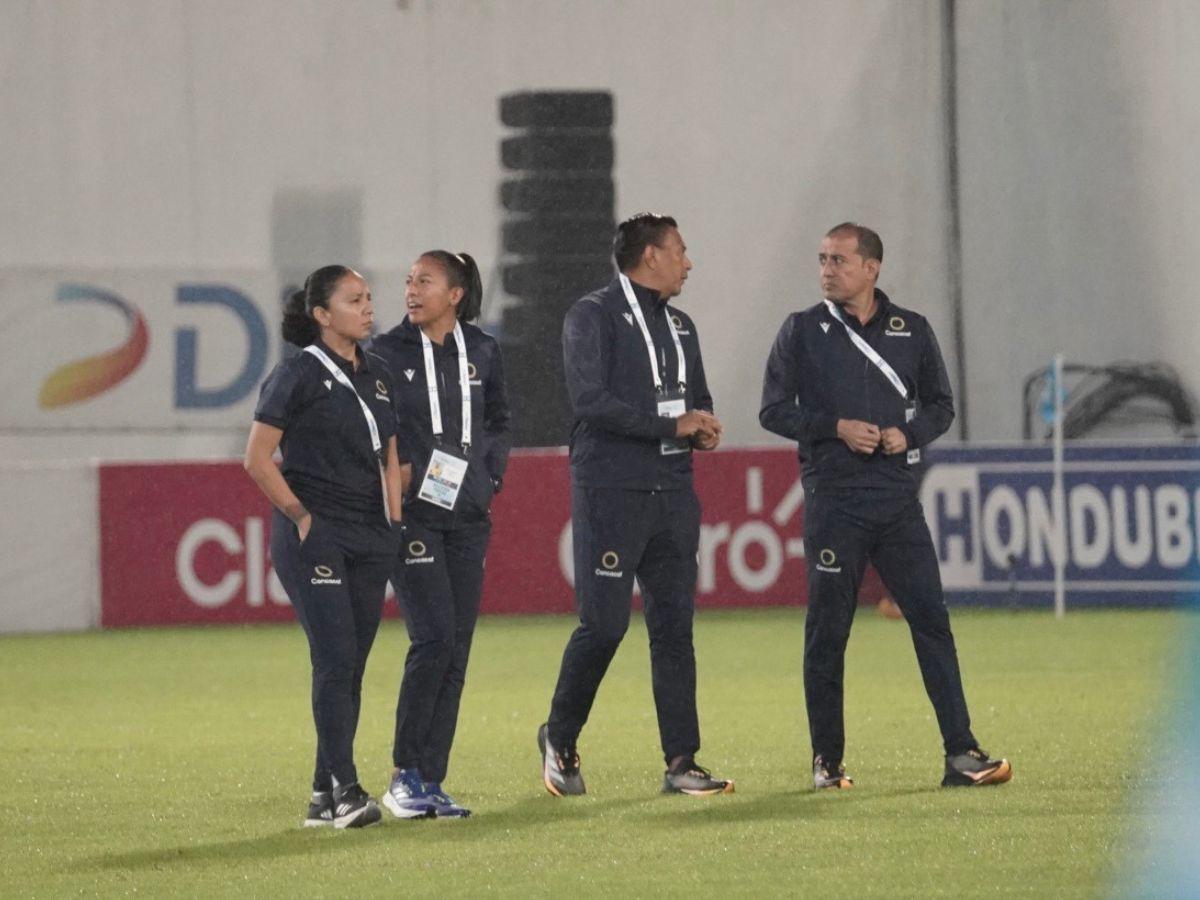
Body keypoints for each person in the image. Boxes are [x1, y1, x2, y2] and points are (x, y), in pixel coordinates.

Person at [759, 222, 1012, 789]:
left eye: (839, 260)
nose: (826, 270)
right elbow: (773, 410)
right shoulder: (802, 329)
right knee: (828, 633)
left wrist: (909, 434)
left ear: (871, 268)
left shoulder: (911, 329)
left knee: (932, 622)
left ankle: (961, 753)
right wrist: (836, 427)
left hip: (897, 502)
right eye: (822, 259)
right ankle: (827, 762)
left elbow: (941, 405)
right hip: (834, 501)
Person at [538, 213, 734, 798]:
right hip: (611, 491)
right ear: (651, 256)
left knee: (674, 630)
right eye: (680, 250)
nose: (688, 263)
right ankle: (559, 736)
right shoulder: (591, 315)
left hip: (673, 492)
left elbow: (697, 398)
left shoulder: (682, 326)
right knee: (603, 626)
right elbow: (589, 402)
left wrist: (702, 426)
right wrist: (672, 424)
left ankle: (682, 761)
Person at [244, 265, 406, 828]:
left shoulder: (378, 374)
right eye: (354, 300)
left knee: (351, 667)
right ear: (321, 315)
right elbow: (256, 458)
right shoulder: (296, 374)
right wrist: (301, 517)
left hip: (370, 535)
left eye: (368, 298)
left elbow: (390, 453)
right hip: (318, 535)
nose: (368, 308)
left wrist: (393, 521)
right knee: (335, 659)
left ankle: (321, 795)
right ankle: (346, 789)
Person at [367, 250, 512, 819]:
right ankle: (403, 774)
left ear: (455, 294)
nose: (411, 289)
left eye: (424, 281)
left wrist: (489, 477)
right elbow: (378, 428)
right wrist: (396, 477)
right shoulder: (385, 353)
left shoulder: (483, 350)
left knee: (457, 648)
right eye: (408, 280)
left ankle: (430, 779)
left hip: (468, 516)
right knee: (432, 639)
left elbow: (498, 420)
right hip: (416, 517)